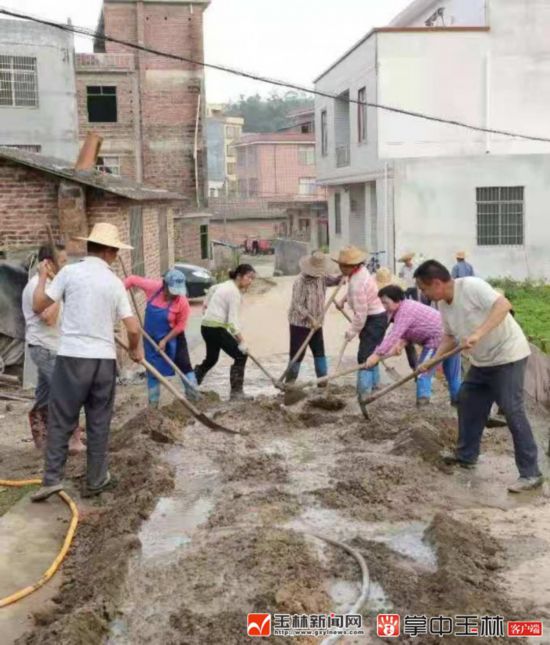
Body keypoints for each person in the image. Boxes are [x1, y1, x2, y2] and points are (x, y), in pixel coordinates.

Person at [30, 223, 143, 501]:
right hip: (102, 362)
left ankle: (52, 479)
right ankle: (96, 480)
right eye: (115, 251)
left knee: (61, 419)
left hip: (71, 358)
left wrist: (43, 278)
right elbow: (132, 328)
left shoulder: (69, 272)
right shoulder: (114, 283)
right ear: (110, 251)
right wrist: (134, 351)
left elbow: (38, 306)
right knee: (99, 421)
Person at [414, 260, 543, 493]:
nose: (423, 293)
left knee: (512, 409)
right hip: (482, 361)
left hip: (508, 355)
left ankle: (530, 473)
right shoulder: (443, 305)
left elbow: (504, 305)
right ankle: (466, 455)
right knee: (467, 399)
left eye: (424, 289)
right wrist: (431, 362)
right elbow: (450, 338)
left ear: (436, 283)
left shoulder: (472, 286)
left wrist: (478, 333)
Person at [21, 244, 86, 454]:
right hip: (45, 347)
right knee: (68, 392)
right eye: (63, 261)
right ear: (47, 264)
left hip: (52, 346)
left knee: (45, 394)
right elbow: (48, 318)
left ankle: (44, 436)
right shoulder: (37, 287)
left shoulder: (51, 284)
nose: (66, 266)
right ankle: (73, 440)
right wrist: (59, 291)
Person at [365, 284, 461, 406]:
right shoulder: (407, 306)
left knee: (422, 372)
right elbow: (409, 331)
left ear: (397, 300)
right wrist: (399, 345)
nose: (384, 307)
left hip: (438, 340)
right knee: (453, 375)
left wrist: (376, 355)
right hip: (452, 337)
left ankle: (423, 404)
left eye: (385, 303)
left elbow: (393, 334)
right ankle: (458, 403)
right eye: (381, 303)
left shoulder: (404, 311)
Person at [124, 269, 198, 406]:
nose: (175, 295)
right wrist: (119, 295)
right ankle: (153, 407)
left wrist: (165, 340)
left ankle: (194, 398)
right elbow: (132, 279)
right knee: (152, 370)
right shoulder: (153, 288)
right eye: (172, 291)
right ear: (164, 285)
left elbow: (180, 326)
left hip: (174, 338)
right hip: (151, 339)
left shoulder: (182, 302)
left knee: (184, 365)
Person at [334, 246, 388, 414]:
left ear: (350, 266)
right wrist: (343, 300)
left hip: (374, 319)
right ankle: (375, 387)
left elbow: (361, 315)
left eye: (342, 265)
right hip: (376, 316)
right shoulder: (360, 272)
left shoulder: (358, 281)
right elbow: (354, 293)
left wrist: (351, 332)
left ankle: (363, 396)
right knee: (373, 353)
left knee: (364, 357)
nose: (340, 268)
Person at [194, 264, 256, 400]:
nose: (250, 281)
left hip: (206, 326)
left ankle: (192, 381)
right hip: (215, 328)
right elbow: (232, 323)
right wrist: (242, 342)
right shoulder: (233, 293)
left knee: (211, 359)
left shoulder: (227, 284)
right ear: (239, 276)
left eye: (253, 278)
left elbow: (211, 289)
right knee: (240, 356)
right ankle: (237, 393)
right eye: (249, 277)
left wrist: (206, 304)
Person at [285, 251, 341, 383]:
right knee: (297, 354)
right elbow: (297, 305)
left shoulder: (322, 276)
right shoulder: (300, 282)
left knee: (319, 352)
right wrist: (311, 319)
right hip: (300, 323)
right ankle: (290, 383)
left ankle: (322, 382)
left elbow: (333, 281)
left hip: (317, 323)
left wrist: (342, 278)